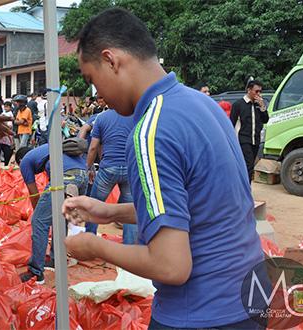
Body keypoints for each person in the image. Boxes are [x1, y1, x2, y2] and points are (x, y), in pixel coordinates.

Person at [64, 8, 264, 329]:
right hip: (250, 299)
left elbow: (171, 266)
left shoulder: (149, 133)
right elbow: (199, 204)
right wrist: (109, 212)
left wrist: (95, 246)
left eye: (92, 80)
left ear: (112, 60)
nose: (97, 96)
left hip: (200, 312)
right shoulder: (204, 106)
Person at [17, 138, 88, 284]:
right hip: (83, 175)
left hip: (65, 178)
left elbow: (33, 193)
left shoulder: (25, 162)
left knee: (39, 222)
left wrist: (40, 215)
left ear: (20, 159)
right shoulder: (46, 151)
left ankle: (36, 272)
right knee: (61, 217)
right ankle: (57, 259)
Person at [85, 109, 135, 240]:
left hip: (108, 169)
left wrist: (88, 167)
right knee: (130, 210)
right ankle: (129, 249)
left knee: (95, 206)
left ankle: (89, 243)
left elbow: (93, 147)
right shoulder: (135, 115)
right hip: (129, 169)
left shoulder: (101, 118)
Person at [231, 80, 269, 183]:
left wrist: (262, 107)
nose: (258, 94)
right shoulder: (238, 105)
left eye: (260, 92)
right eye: (256, 91)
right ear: (249, 90)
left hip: (255, 140)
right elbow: (231, 123)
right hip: (243, 139)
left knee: (250, 165)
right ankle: (246, 189)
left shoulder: (258, 105)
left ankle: (244, 188)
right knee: (248, 165)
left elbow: (265, 120)